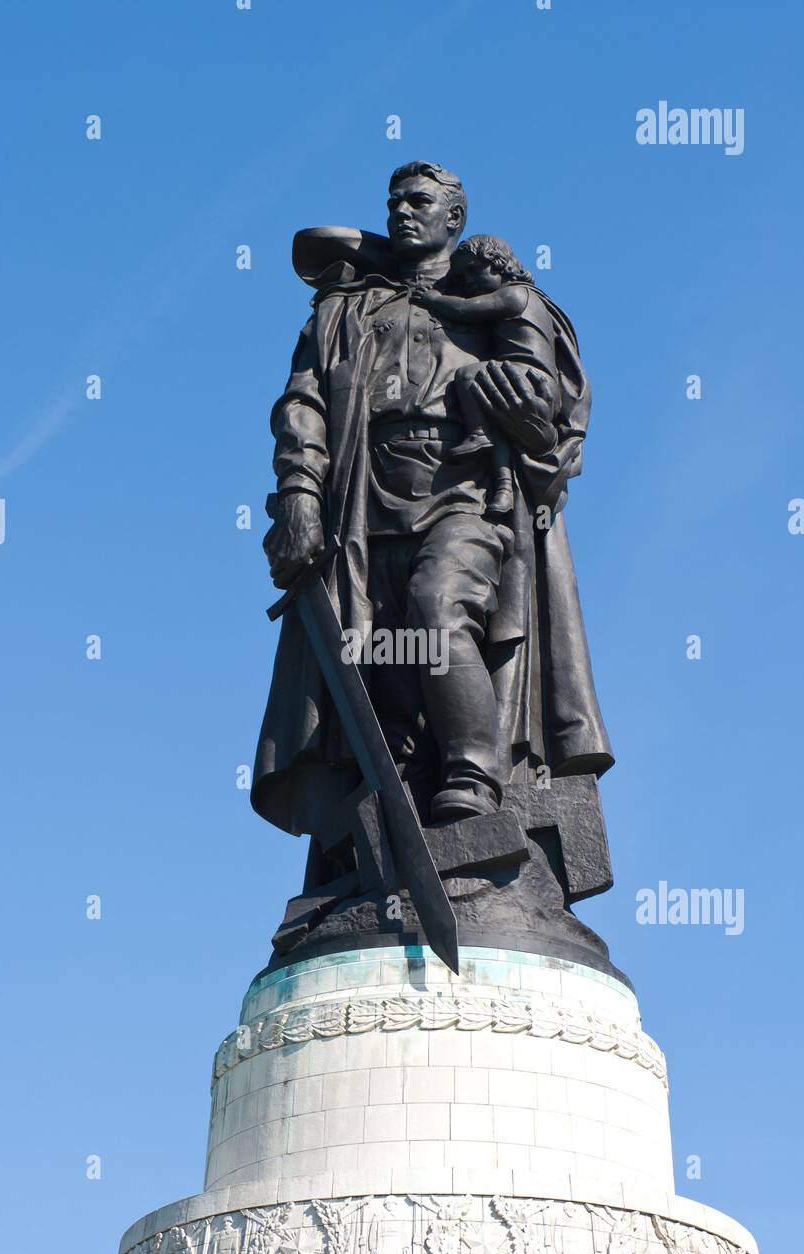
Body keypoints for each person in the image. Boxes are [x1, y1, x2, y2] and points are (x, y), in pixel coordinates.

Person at [255, 162, 612, 873]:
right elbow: (305, 407)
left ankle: (473, 778)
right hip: (361, 498)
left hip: (466, 490)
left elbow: (552, 415)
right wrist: (298, 493)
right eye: (393, 203)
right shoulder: (342, 310)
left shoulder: (495, 297)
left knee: (438, 608)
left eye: (419, 202)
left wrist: (524, 413)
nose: (401, 213)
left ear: (454, 217)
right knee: (376, 660)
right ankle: (396, 823)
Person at [410, 233, 558, 518]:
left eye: (474, 271)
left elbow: (466, 310)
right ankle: (503, 489)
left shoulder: (515, 294)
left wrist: (434, 299)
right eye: (463, 276)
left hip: (529, 377)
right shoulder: (521, 296)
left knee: (467, 376)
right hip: (519, 378)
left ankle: (478, 432)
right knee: (498, 427)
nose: (468, 282)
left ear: (499, 264)